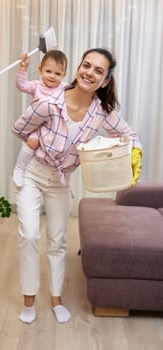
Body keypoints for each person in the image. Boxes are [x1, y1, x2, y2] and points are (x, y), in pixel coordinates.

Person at [11, 48, 142, 324]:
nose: (89, 72)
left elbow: (130, 134)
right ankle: (29, 299)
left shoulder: (102, 112)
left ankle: (56, 298)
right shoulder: (50, 99)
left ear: (105, 81)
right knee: (31, 236)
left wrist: (134, 157)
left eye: (98, 71)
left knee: (58, 242)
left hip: (60, 182)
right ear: (78, 68)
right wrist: (34, 139)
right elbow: (20, 128)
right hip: (34, 175)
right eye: (86, 65)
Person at [13, 50, 68, 187]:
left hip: (54, 126)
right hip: (38, 125)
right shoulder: (36, 86)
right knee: (33, 142)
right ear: (40, 70)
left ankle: (57, 174)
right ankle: (20, 167)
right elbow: (21, 85)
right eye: (48, 71)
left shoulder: (64, 88)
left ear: (64, 75)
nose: (52, 76)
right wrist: (23, 68)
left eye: (57, 73)